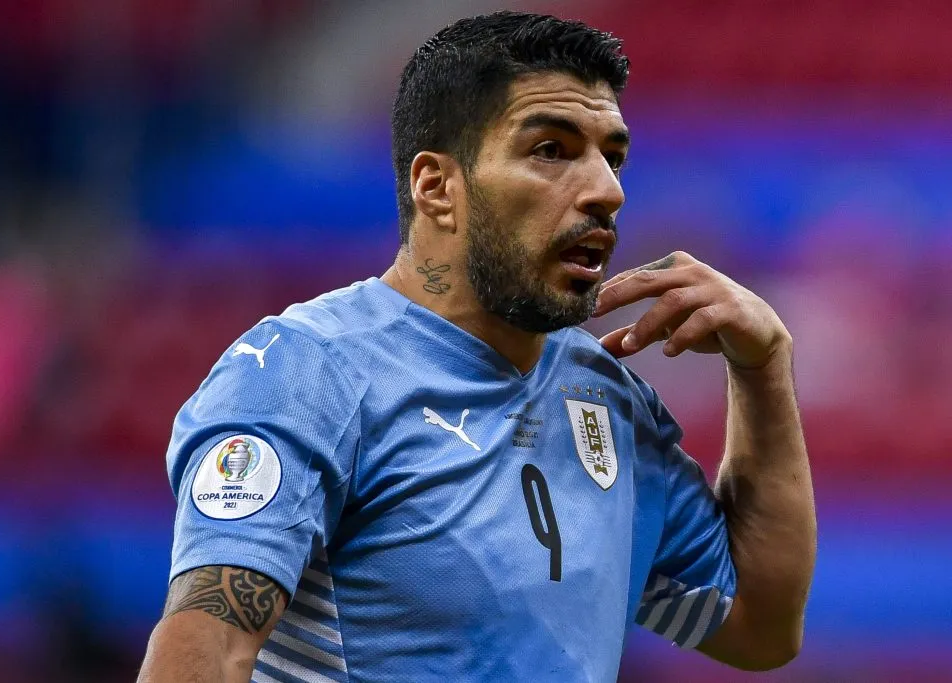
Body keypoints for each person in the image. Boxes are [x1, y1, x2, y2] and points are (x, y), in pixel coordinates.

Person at [137, 11, 815, 683]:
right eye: (551, 150)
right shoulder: (307, 372)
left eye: (612, 156)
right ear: (437, 186)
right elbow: (207, 651)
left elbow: (760, 626)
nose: (607, 190)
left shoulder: (606, 398)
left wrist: (762, 369)